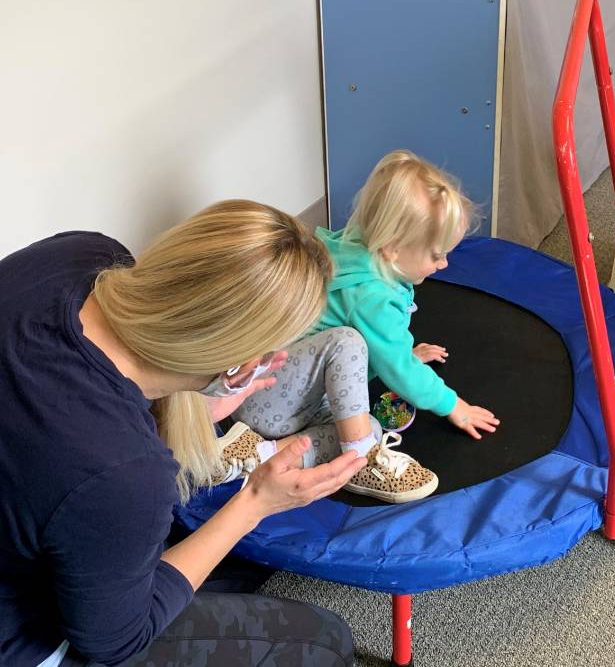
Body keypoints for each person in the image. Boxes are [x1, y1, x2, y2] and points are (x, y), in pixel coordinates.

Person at [0, 200, 368, 666]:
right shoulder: (123, 473)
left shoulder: (81, 253)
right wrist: (255, 502)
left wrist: (207, 398)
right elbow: (112, 643)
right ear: (241, 364)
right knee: (325, 639)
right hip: (22, 642)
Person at [236, 151, 500, 504]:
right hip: (267, 397)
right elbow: (399, 371)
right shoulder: (372, 295)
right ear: (392, 249)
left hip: (288, 398)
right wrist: (454, 406)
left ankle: (261, 455)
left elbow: (383, 349)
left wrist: (401, 352)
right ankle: (360, 462)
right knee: (347, 352)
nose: (444, 263)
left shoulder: (360, 243)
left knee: (368, 430)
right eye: (436, 255)